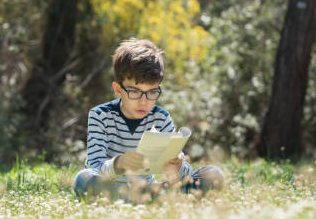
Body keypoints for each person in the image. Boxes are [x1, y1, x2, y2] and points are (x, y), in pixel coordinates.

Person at [73, 38, 224, 201]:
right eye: (135, 92)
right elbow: (94, 168)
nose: (144, 101)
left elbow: (181, 175)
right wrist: (119, 163)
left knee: (213, 174)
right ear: (118, 89)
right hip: (112, 188)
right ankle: (132, 199)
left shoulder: (161, 117)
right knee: (83, 179)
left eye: (152, 92)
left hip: (150, 189)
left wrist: (177, 169)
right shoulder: (100, 115)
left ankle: (149, 198)